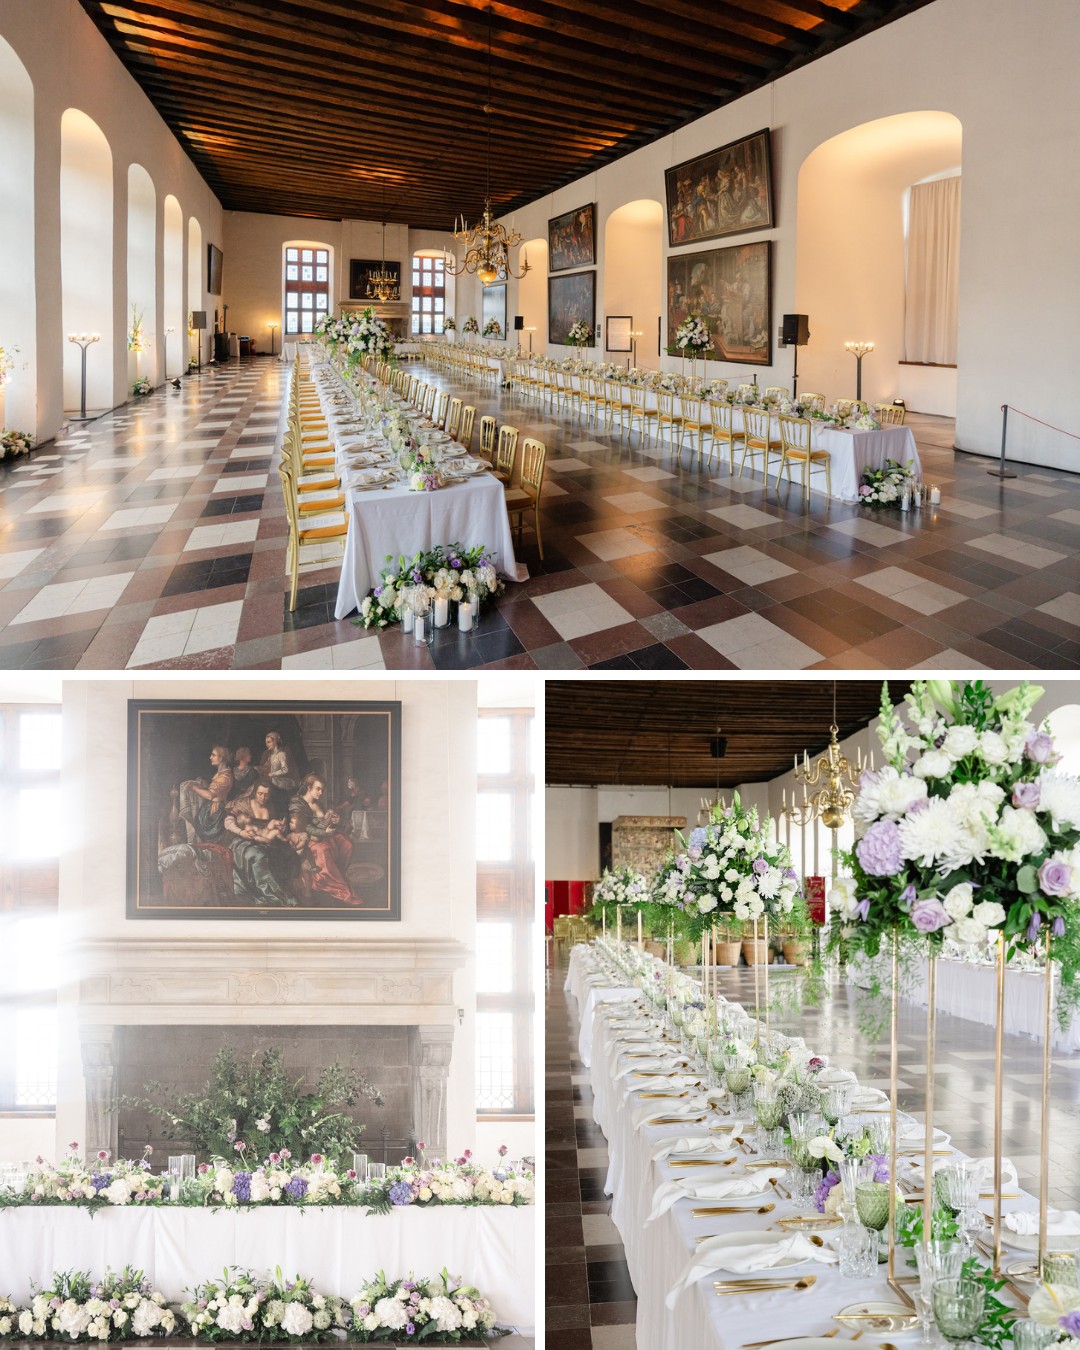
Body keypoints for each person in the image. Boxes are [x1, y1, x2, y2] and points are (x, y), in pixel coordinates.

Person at [288, 773, 356, 904]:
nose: (321, 792)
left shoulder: (318, 803)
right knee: (323, 849)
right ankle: (326, 882)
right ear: (309, 787)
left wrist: (333, 820)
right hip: (306, 838)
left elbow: (323, 822)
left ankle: (339, 874)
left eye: (322, 789)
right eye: (318, 789)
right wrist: (324, 832)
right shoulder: (297, 803)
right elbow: (304, 827)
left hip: (322, 835)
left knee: (347, 843)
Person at [177, 746, 234, 844]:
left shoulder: (225, 776)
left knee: (206, 835)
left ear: (221, 758)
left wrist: (192, 787)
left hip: (216, 812)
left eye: (213, 755)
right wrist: (205, 784)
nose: (210, 757)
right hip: (209, 807)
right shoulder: (220, 773)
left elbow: (210, 796)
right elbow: (216, 790)